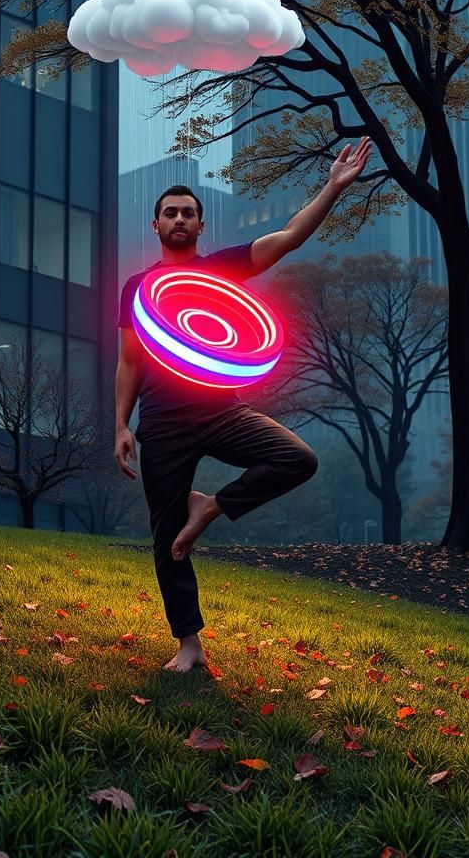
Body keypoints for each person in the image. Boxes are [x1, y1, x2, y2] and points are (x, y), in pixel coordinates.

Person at [114, 138, 373, 673]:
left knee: (298, 459)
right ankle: (189, 644)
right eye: (170, 213)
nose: (180, 219)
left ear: (201, 226)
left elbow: (289, 237)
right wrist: (120, 423)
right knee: (167, 536)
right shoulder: (138, 288)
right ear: (156, 226)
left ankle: (210, 505)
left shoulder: (223, 269)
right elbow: (130, 362)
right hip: (161, 422)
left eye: (189, 213)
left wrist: (332, 186)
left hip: (221, 410)